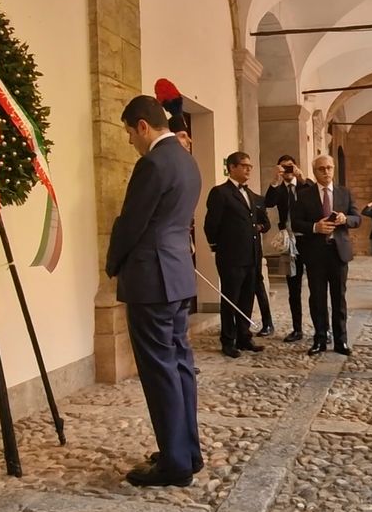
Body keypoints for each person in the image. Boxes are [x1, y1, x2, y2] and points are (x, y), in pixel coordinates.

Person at [105, 95, 202, 487]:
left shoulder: (153, 163)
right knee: (179, 365)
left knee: (160, 371)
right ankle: (187, 450)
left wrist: (112, 264)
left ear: (143, 126)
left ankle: (175, 464)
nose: (130, 140)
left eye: (130, 132)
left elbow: (132, 222)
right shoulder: (186, 159)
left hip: (151, 278)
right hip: (177, 275)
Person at [291, 154, 361, 356]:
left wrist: (345, 219)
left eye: (329, 168)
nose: (326, 172)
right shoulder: (304, 195)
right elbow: (295, 222)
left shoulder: (344, 193)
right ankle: (320, 339)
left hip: (338, 253)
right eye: (321, 169)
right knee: (317, 298)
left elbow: (357, 219)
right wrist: (315, 227)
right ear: (315, 172)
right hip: (315, 254)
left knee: (339, 298)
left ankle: (341, 341)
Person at [203, 151, 269, 359]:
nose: (248, 169)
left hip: (251, 256)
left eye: (250, 166)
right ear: (232, 167)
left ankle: (244, 336)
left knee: (247, 298)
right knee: (231, 299)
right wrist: (218, 247)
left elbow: (255, 222)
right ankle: (228, 340)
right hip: (231, 257)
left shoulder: (249, 193)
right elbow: (211, 225)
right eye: (244, 166)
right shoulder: (220, 193)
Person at [265, 155, 312, 343]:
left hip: (308, 239)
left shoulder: (304, 185)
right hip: (289, 242)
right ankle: (297, 329)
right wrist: (275, 180)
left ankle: (322, 328)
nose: (287, 171)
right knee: (293, 287)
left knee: (317, 286)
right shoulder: (279, 189)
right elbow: (268, 202)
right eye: (284, 167)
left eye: (290, 167)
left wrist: (301, 178)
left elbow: (314, 197)